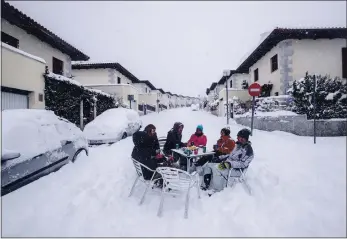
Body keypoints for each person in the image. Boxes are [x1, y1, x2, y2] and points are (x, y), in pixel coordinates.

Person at [201, 128, 254, 193]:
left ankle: (217, 190)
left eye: (239, 137)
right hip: (227, 164)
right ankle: (205, 185)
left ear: (244, 138)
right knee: (208, 165)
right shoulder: (238, 146)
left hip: (236, 170)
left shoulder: (248, 151)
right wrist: (220, 158)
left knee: (216, 168)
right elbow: (230, 155)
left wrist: (230, 164)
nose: (237, 138)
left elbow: (243, 164)